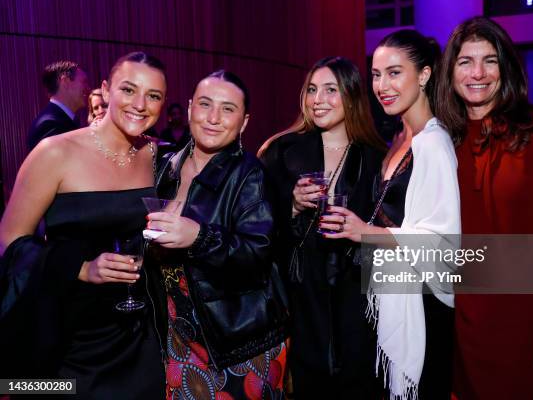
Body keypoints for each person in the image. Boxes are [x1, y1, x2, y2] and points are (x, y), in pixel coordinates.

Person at [435, 16, 533, 399]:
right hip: (469, 320)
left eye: (490, 60)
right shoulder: (441, 141)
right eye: (465, 62)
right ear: (450, 72)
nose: (478, 73)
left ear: (505, 68)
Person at [0, 52, 167, 399]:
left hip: (139, 331)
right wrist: (80, 269)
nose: (140, 104)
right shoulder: (54, 153)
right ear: (105, 91)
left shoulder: (155, 156)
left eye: (153, 96)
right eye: (128, 90)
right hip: (70, 335)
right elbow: (9, 239)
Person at [319, 31, 460, 399]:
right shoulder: (400, 136)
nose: (382, 85)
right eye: (377, 74)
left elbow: (443, 241)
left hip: (424, 305)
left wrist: (363, 231)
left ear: (425, 75)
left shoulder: (434, 143)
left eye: (394, 73)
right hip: (389, 293)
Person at [145, 70, 289, 399]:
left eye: (227, 109)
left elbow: (258, 254)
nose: (213, 118)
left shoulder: (250, 174)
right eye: (205, 104)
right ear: (191, 107)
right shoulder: (165, 167)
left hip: (237, 340)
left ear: (244, 121)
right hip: (178, 332)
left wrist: (199, 236)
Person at [259, 56, 387, 399]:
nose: (319, 100)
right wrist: (292, 205)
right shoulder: (281, 152)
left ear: (351, 96)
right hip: (302, 298)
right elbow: (256, 228)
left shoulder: (378, 157)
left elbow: (393, 229)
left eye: (331, 90)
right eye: (312, 90)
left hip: (358, 299)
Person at [27, 60, 91, 150]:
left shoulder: (63, 120)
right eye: (84, 82)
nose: (88, 88)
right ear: (65, 82)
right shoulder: (49, 125)